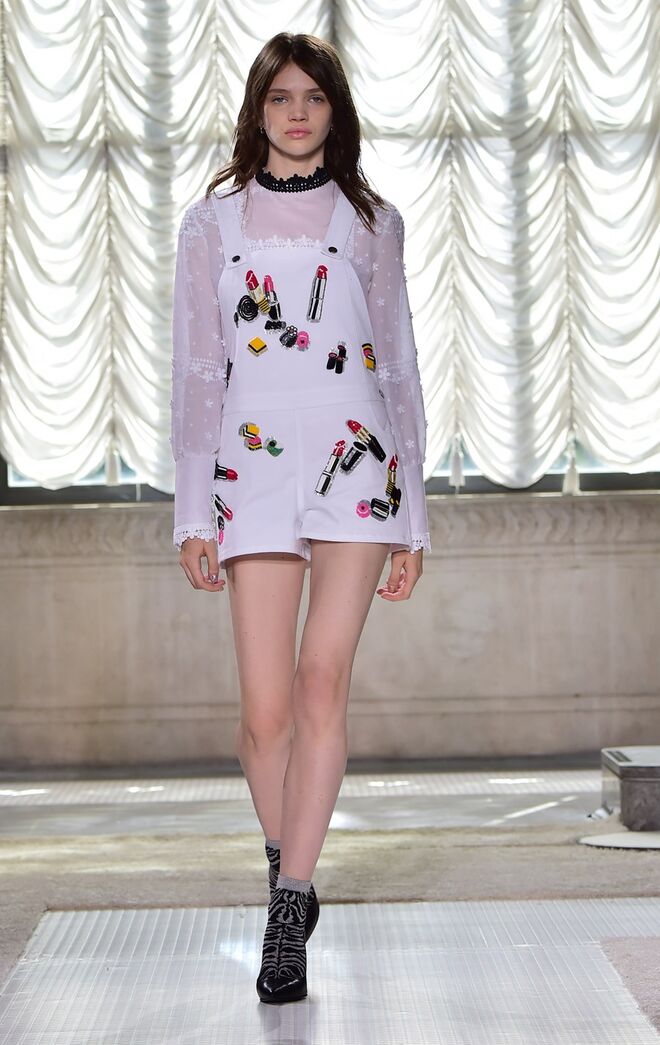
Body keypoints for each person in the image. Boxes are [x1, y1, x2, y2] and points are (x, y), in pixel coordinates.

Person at [170, 32, 431, 1004]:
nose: (296, 112)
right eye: (281, 96)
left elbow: (398, 363)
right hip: (251, 470)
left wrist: (415, 520)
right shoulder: (211, 224)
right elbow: (198, 371)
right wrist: (193, 512)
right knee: (265, 711)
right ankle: (288, 854)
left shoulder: (372, 221)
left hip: (357, 461)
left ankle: (288, 909)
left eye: (314, 97)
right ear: (259, 109)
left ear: (335, 111)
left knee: (323, 679)